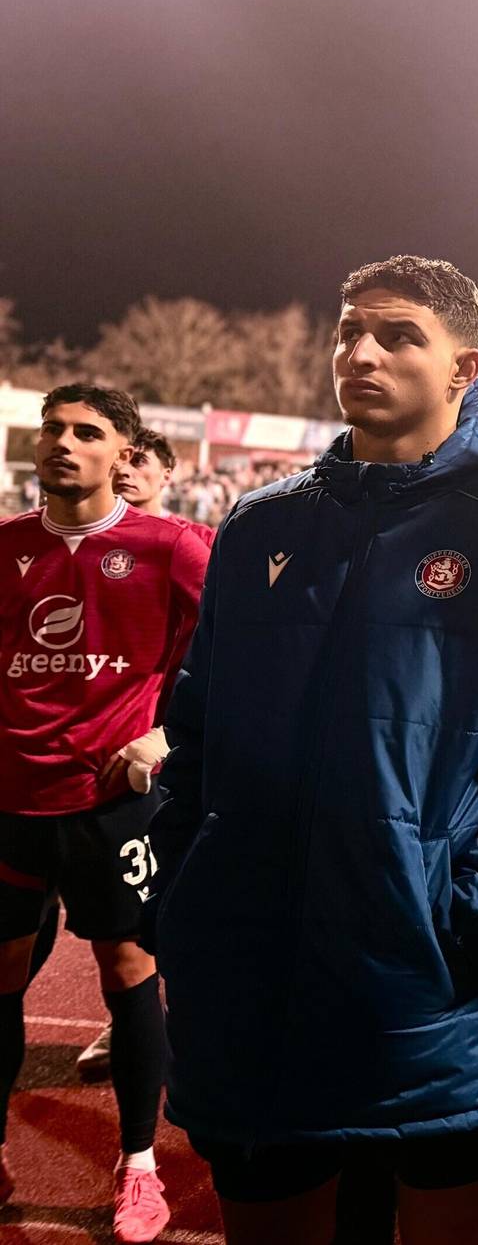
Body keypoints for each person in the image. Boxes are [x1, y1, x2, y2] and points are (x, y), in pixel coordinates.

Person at [149, 256, 478, 1245]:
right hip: (249, 968)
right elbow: (194, 727)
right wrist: (186, 885)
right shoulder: (260, 525)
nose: (360, 353)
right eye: (349, 332)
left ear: (464, 368)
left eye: (399, 335)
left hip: (430, 976)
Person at [0, 384, 207, 1242]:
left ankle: (139, 1164)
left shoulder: (171, 546)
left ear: (124, 454)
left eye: (87, 431)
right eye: (53, 428)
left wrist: (166, 735)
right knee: (2, 975)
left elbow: (238, 651)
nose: (63, 441)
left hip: (112, 804)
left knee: (127, 972)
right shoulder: (7, 545)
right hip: (11, 801)